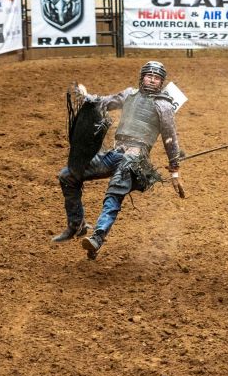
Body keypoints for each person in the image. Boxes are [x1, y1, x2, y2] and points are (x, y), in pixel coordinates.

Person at [52, 62, 186, 259]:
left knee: (114, 191)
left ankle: (97, 237)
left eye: (156, 78)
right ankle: (77, 224)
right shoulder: (129, 94)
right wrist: (86, 97)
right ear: (142, 77)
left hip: (136, 158)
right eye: (149, 76)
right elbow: (104, 102)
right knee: (68, 176)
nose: (152, 80)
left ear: (161, 82)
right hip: (116, 153)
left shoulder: (164, 106)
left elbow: (170, 139)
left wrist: (175, 172)